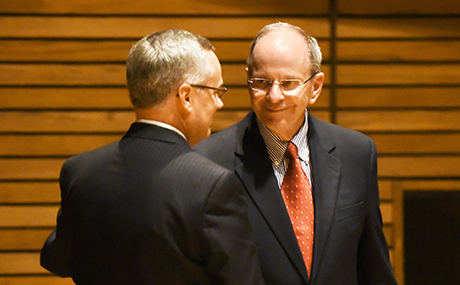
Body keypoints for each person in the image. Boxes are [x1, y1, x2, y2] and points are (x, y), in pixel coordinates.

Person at [40, 29, 263, 285]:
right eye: (215, 91)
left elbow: (55, 258)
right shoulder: (212, 185)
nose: (219, 103)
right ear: (186, 96)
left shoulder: (80, 171)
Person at [194, 22, 398, 284]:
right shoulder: (209, 160)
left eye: (288, 83)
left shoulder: (356, 153)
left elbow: (374, 267)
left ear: (315, 87)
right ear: (247, 80)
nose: (274, 95)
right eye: (262, 82)